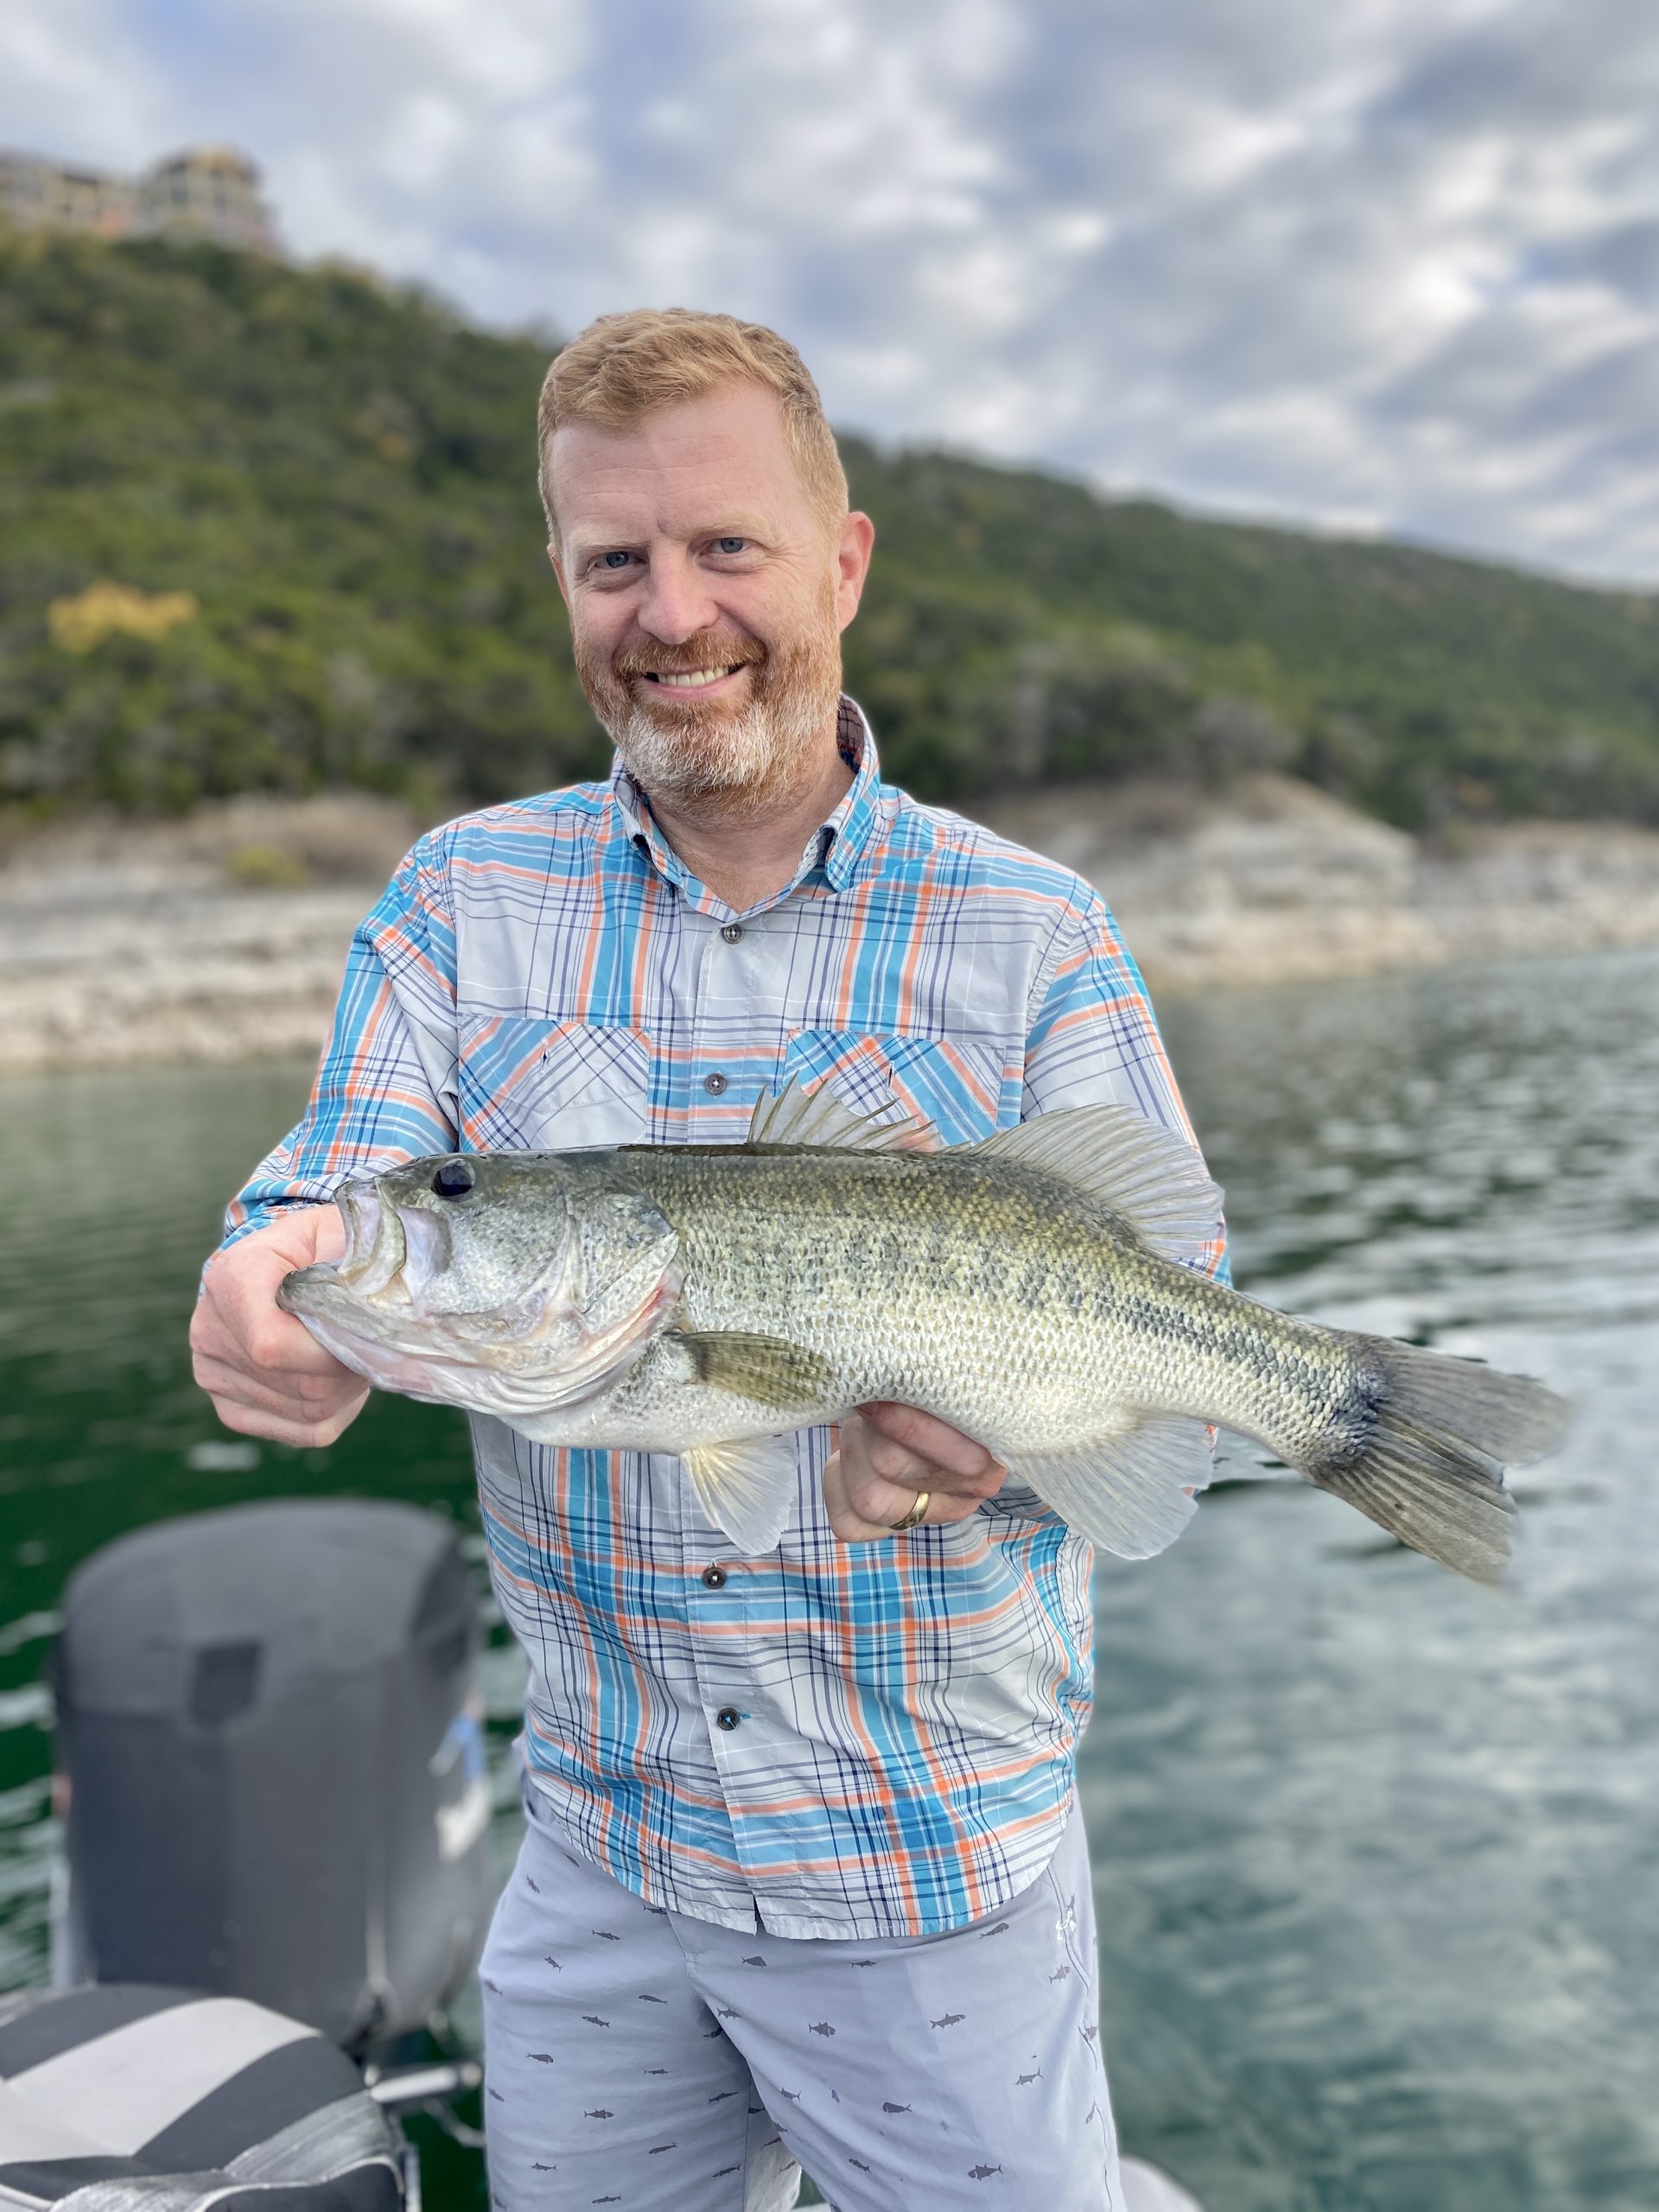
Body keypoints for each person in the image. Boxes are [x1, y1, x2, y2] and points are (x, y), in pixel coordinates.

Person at [192, 309, 1222, 2212]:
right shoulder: (453, 898)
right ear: (566, 584)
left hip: (931, 1865)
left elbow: (1157, 1294)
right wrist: (267, 1270)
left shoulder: (1038, 927)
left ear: (843, 559)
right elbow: (339, 1185)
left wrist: (984, 1445)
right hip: (602, 1855)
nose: (671, 612)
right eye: (615, 561)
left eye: (726, 546)